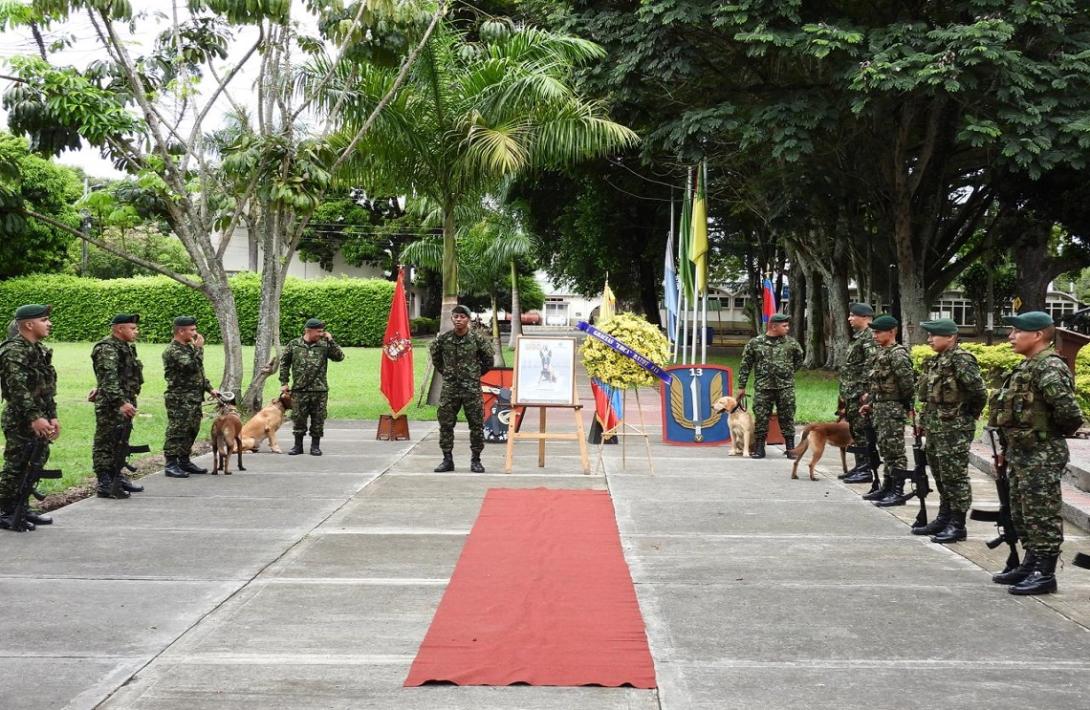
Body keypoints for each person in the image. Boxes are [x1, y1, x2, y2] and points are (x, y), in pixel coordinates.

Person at [989, 311, 1083, 595]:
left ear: (1038, 334)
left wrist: (1046, 435)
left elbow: (1069, 413)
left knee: (1041, 512)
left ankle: (1045, 572)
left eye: (1017, 331)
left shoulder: (1049, 367)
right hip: (1021, 451)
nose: (1011, 337)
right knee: (1022, 511)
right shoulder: (1026, 367)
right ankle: (1030, 562)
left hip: (1041, 451)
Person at [913, 318, 986, 542]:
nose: (929, 339)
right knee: (940, 473)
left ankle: (958, 523)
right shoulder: (938, 361)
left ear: (950, 337)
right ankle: (944, 517)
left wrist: (966, 416)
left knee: (955, 476)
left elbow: (978, 392)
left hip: (954, 428)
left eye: (934, 335)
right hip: (936, 428)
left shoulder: (961, 360)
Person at [0, 304, 59, 530]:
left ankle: (21, 506)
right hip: (20, 419)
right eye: (44, 320)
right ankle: (5, 510)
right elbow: (18, 389)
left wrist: (52, 416)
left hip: (39, 416)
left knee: (35, 462)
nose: (49, 323)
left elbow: (47, 388)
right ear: (28, 324)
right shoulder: (13, 350)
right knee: (16, 465)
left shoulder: (39, 350)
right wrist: (35, 416)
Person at [430, 304, 493, 472]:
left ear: (468, 319)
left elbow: (489, 361)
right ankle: (447, 459)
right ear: (452, 319)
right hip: (450, 388)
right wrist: (447, 372)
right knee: (445, 423)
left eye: (462, 317)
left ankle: (476, 460)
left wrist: (474, 374)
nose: (458, 320)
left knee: (476, 424)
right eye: (456, 317)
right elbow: (436, 357)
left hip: (471, 388)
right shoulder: (444, 339)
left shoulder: (477, 339)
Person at [859, 315, 915, 504]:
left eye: (878, 332)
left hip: (892, 408)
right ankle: (887, 486)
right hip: (880, 407)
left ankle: (897, 490)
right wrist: (871, 404)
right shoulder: (880, 352)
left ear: (891, 332)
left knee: (894, 450)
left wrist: (908, 406)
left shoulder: (897, 354)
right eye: (873, 331)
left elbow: (907, 384)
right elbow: (877, 384)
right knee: (884, 447)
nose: (874, 335)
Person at [735, 313, 804, 459]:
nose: (787, 328)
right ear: (773, 326)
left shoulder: (791, 343)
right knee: (761, 417)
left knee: (787, 416)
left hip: (785, 387)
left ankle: (791, 448)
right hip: (763, 387)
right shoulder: (755, 343)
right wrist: (741, 386)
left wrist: (786, 372)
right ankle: (760, 448)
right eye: (784, 326)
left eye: (787, 325)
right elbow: (745, 366)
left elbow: (799, 360)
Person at [91, 313, 146, 498]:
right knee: (105, 441)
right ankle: (104, 481)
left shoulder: (125, 347)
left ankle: (116, 475)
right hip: (112, 404)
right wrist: (120, 402)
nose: (136, 332)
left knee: (120, 441)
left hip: (125, 400)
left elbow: (120, 375)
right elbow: (108, 378)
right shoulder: (107, 348)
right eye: (132, 328)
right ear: (119, 329)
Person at [163, 316, 218, 478]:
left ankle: (184, 460)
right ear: (181, 331)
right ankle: (171, 463)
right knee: (177, 430)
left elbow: (198, 373)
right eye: (192, 330)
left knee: (191, 429)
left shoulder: (189, 348)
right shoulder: (173, 350)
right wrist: (200, 349)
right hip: (179, 398)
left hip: (193, 397)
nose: (195, 333)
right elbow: (190, 366)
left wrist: (210, 389)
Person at [280, 317, 345, 456]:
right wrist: (284, 382)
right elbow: (284, 363)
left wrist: (331, 341)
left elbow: (339, 357)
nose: (321, 334)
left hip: (319, 389)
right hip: (299, 390)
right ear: (308, 330)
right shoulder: (294, 345)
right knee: (298, 418)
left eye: (322, 331)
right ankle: (298, 446)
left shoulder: (324, 345)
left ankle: (315, 446)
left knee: (318, 418)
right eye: (318, 331)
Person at [839, 303, 878, 483]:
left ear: (864, 317)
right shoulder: (859, 337)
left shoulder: (869, 337)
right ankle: (860, 466)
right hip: (851, 392)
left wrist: (865, 391)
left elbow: (871, 366)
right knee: (855, 430)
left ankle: (866, 469)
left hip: (859, 393)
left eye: (852, 315)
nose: (849, 318)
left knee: (862, 431)